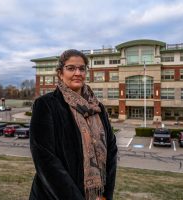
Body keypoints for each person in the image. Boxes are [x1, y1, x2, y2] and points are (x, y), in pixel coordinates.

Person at [29, 49, 117, 200]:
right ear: (60, 73)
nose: (77, 73)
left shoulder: (98, 108)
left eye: (82, 68)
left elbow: (112, 150)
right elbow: (45, 159)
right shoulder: (46, 105)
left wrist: (105, 194)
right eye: (71, 68)